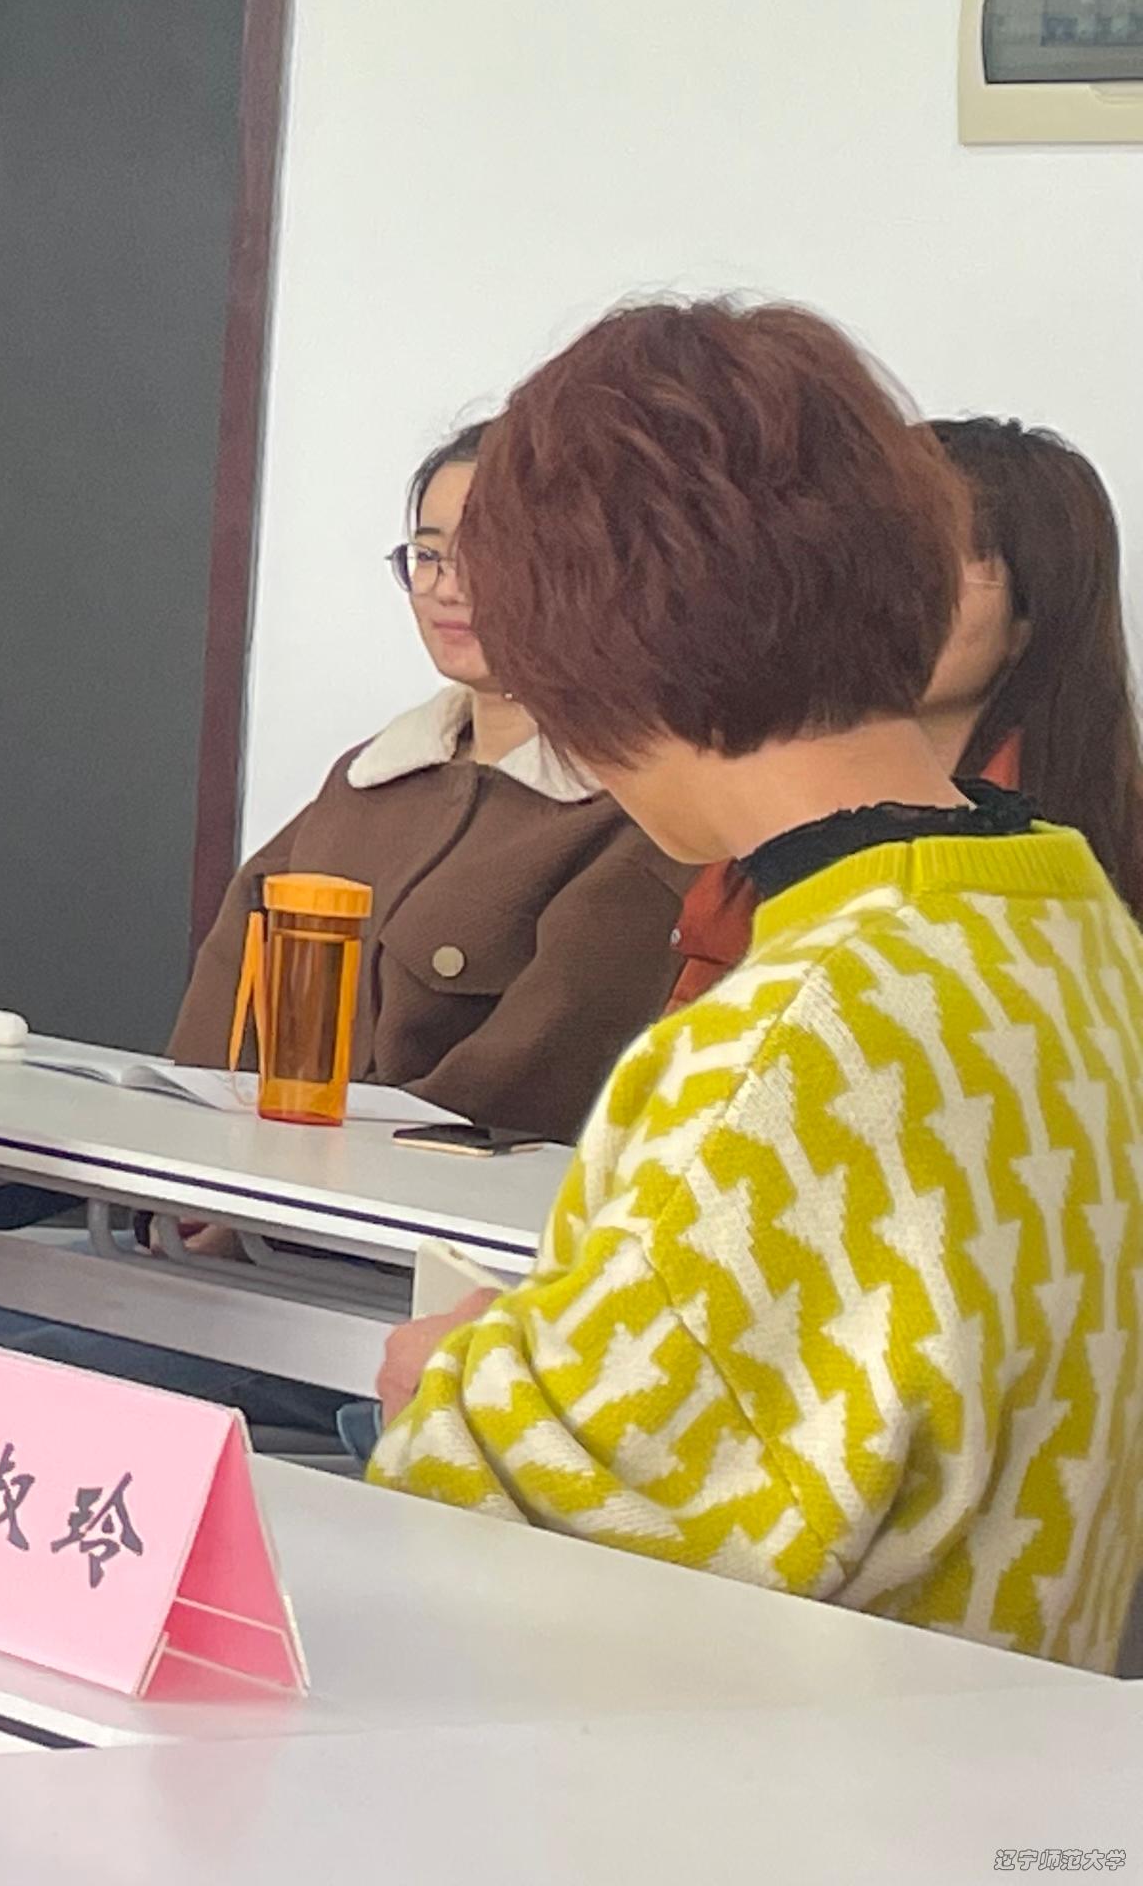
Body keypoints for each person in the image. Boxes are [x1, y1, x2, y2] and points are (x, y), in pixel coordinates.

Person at [372, 297, 1143, 1665]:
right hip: (1016, 1729)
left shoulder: (798, 1037)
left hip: (794, 1762)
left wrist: (450, 1379)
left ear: (592, 646)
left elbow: (528, 1536)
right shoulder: (1072, 924)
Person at [168, 421, 697, 1143]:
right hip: (251, 1191)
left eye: (493, 555)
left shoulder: (641, 813)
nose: (449, 588)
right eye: (428, 555)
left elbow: (524, 1088)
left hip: (429, 1206)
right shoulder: (369, 779)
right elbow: (221, 1024)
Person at [669, 414, 1143, 1001]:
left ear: (1032, 616)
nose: (880, 601)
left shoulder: (1080, 866)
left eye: (930, 569)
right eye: (862, 562)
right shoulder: (730, 802)